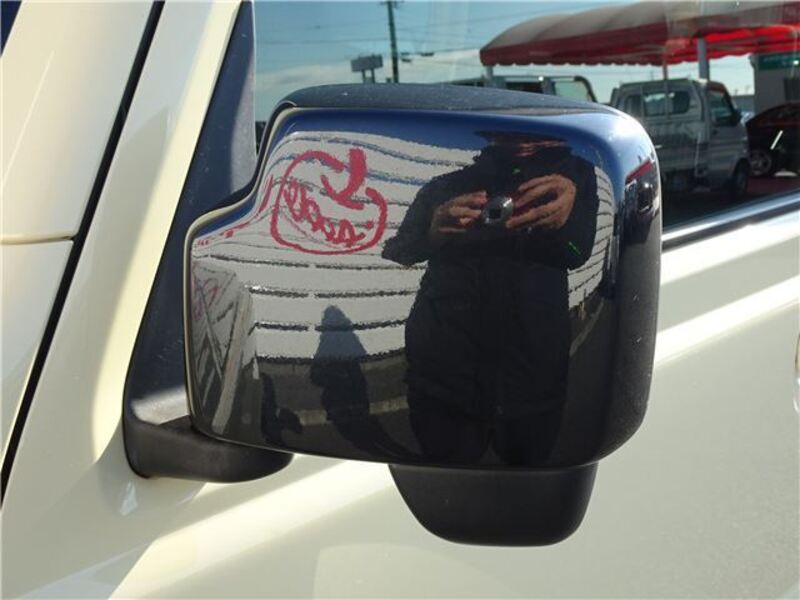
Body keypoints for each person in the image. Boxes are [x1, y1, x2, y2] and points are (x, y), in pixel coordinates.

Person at [382, 132, 599, 466]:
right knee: (447, 485)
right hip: (446, 381)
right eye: (512, 132)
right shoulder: (448, 186)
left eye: (536, 130)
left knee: (529, 487)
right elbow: (401, 251)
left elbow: (576, 252)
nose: (523, 139)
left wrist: (564, 222)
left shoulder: (572, 182)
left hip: (531, 380)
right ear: (492, 134)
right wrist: (432, 232)